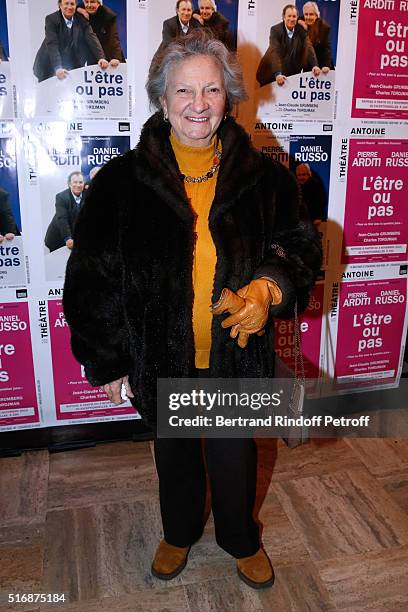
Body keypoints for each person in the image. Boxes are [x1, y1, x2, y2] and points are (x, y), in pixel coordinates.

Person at [63, 31, 321, 590]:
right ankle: (178, 532)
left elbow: (299, 248)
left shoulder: (266, 180)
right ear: (161, 98)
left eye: (211, 89)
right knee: (174, 456)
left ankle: (241, 539)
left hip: (236, 354)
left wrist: (267, 291)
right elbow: (90, 282)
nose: (198, 104)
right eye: (184, 90)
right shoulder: (119, 184)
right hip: (161, 354)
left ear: (229, 96)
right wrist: (107, 361)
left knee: (234, 459)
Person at [33, 0, 109, 83]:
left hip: (69, 63)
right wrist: (58, 67)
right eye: (66, 3)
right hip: (48, 64)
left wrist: (101, 58)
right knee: (48, 92)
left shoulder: (81, 19)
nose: (69, 7)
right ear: (60, 5)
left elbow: (91, 37)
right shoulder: (51, 19)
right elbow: (52, 44)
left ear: (76, 5)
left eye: (72, 4)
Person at [256, 4, 319, 87]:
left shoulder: (301, 30)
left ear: (297, 18)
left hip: (288, 75)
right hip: (269, 74)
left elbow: (309, 47)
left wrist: (315, 65)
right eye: (289, 16)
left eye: (294, 16)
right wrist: (278, 73)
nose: (291, 19)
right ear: (283, 17)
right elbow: (275, 52)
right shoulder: (275, 30)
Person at [45, 171, 85, 252]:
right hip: (58, 238)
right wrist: (68, 238)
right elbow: (62, 219)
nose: (78, 185)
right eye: (75, 182)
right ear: (69, 184)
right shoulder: (61, 197)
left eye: (80, 182)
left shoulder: (88, 195)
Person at [76, 0, 125, 64]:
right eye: (86, 2)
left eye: (93, 2)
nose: (89, 5)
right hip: (92, 52)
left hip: (108, 51)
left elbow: (113, 39)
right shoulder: (81, 8)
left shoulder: (108, 15)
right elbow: (69, 8)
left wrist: (116, 58)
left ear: (98, 3)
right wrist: (79, 9)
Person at [298, 2, 332, 71]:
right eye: (306, 14)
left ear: (316, 15)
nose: (308, 17)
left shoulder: (324, 27)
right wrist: (299, 22)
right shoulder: (300, 24)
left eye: (311, 14)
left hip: (322, 66)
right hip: (307, 67)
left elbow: (326, 49)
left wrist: (326, 66)